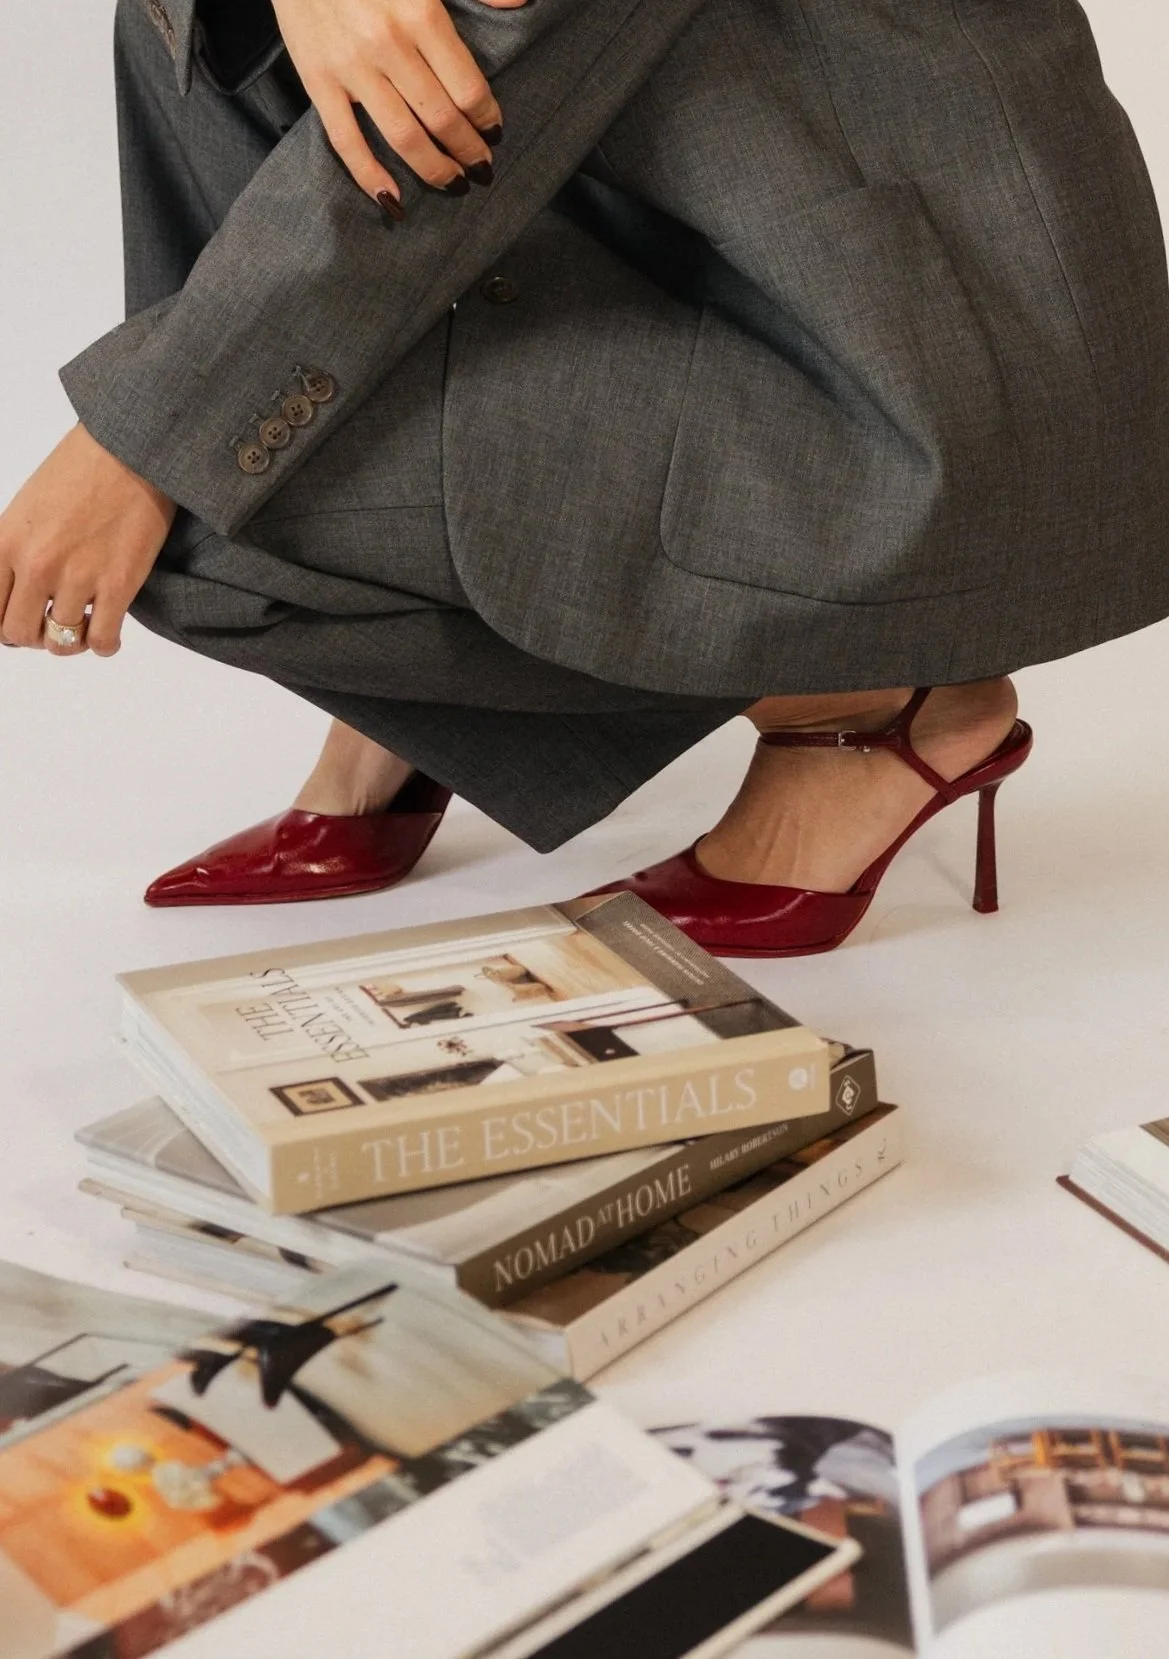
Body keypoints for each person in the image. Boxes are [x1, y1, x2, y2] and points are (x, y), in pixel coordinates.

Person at [3, 0, 1168, 957]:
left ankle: (868, 707)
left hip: (887, 353)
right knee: (202, 22)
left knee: (204, 528)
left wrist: (140, 439)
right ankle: (401, 719)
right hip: (660, 228)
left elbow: (488, 57)